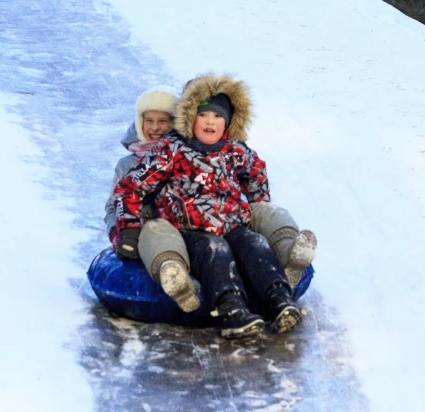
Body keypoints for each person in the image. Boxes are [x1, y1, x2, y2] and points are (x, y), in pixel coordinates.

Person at [113, 73, 313, 338]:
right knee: (215, 251)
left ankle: (278, 299)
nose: (210, 121)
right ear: (188, 118)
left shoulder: (234, 150)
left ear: (228, 122)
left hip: (231, 224)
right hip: (191, 230)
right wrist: (128, 226)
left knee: (254, 244)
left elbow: (256, 170)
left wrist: (256, 200)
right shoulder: (172, 150)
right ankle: (232, 309)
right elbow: (132, 186)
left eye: (218, 116)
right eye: (203, 115)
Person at [104, 86, 201, 314]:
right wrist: (116, 231)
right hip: (142, 233)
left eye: (163, 121)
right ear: (140, 122)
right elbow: (112, 206)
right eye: (149, 120)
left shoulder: (187, 157)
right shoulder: (127, 165)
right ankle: (173, 278)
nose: (155, 128)